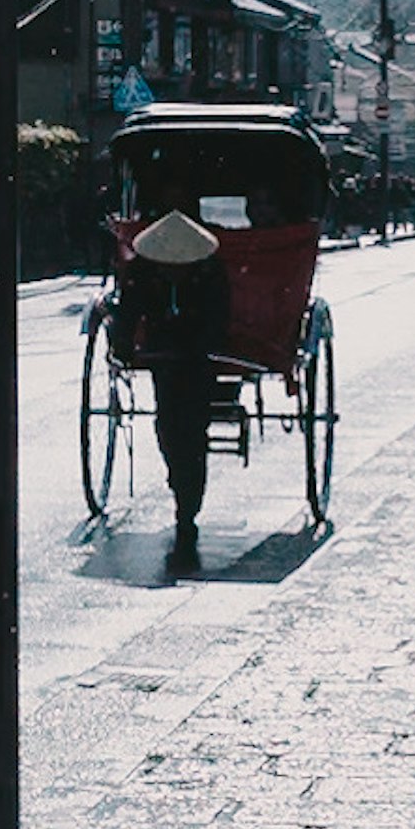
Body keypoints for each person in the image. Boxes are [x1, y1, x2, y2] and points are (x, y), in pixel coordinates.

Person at [115, 209, 232, 576]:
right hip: (164, 355)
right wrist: (123, 348)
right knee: (167, 426)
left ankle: (187, 508)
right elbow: (127, 312)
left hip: (197, 359)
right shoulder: (143, 271)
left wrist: (200, 344)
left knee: (194, 432)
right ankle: (178, 476)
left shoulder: (210, 272)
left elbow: (218, 318)